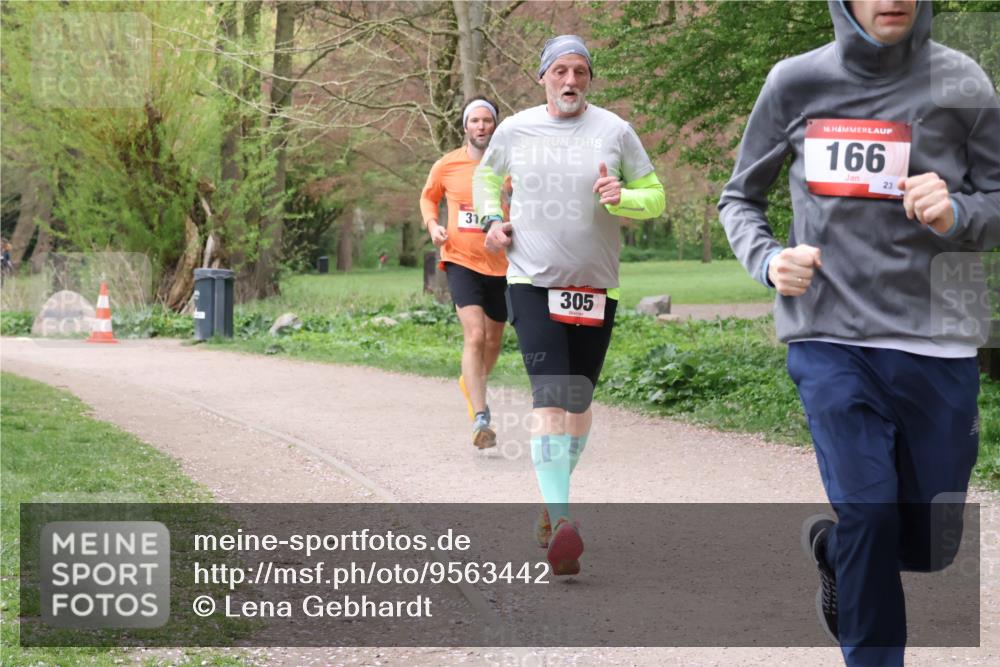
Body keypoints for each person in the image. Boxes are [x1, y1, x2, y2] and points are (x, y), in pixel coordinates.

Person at [718, 1, 999, 664]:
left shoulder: (964, 81)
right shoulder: (795, 81)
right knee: (870, 512)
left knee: (926, 542)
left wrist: (957, 210)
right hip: (830, 334)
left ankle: (836, 552)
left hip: (940, 338)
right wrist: (767, 260)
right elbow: (740, 197)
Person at [474, 35, 665, 575]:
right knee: (551, 396)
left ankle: (551, 495)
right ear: (543, 78)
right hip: (531, 281)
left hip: (596, 287)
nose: (571, 80)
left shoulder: (614, 131)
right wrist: (493, 220)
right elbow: (485, 177)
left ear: (589, 79)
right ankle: (561, 521)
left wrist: (623, 198)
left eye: (580, 71)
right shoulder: (515, 129)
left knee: (578, 407)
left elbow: (656, 194)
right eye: (560, 70)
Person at [420, 97, 509, 449]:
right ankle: (481, 416)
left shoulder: (508, 165)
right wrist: (432, 225)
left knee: (493, 340)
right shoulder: (447, 165)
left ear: (495, 125)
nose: (482, 126)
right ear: (465, 126)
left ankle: (470, 382)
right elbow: (428, 198)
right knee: (474, 336)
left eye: (487, 120)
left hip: (502, 265)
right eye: (475, 120)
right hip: (460, 260)